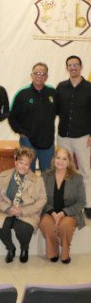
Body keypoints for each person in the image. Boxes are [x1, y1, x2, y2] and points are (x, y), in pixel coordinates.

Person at [0, 147, 46, 264]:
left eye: (27, 164)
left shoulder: (38, 180)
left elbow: (42, 200)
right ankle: (10, 247)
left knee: (23, 228)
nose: (23, 166)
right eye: (21, 162)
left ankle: (24, 248)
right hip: (6, 210)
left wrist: (22, 211)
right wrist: (7, 208)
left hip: (27, 213)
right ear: (15, 161)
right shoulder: (4, 175)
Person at [55, 55, 91, 219]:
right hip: (63, 136)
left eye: (76, 64)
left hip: (83, 137)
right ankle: (64, 203)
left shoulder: (89, 87)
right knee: (63, 170)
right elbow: (53, 109)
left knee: (85, 171)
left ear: (81, 67)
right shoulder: (61, 87)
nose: (73, 67)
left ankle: (88, 204)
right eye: (70, 65)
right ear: (67, 67)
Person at [40, 148, 86, 264]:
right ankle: (53, 252)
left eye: (64, 158)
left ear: (69, 161)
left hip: (70, 214)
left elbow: (81, 202)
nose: (60, 161)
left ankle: (65, 254)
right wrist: (52, 213)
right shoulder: (45, 176)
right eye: (58, 158)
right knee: (46, 224)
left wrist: (63, 213)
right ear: (54, 159)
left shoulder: (77, 178)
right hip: (49, 211)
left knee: (64, 226)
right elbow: (40, 199)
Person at [9, 62, 56, 172]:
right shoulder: (22, 93)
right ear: (31, 75)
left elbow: (61, 112)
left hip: (47, 141)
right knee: (27, 173)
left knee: (48, 174)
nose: (39, 76)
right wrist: (20, 132)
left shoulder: (53, 93)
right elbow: (12, 117)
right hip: (27, 141)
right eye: (36, 73)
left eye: (42, 74)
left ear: (46, 76)